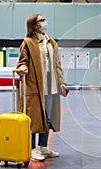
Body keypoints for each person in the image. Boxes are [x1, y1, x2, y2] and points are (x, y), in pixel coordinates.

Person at [16, 14, 68, 161]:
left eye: (44, 20)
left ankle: (43, 147)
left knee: (47, 117)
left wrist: (61, 82)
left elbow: (57, 64)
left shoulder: (51, 42)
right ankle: (32, 149)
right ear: (34, 25)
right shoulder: (28, 42)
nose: (44, 22)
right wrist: (23, 67)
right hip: (35, 87)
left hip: (51, 86)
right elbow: (22, 61)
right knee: (33, 118)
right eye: (41, 20)